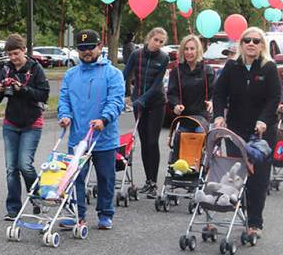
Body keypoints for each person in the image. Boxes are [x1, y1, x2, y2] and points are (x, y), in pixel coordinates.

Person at [211, 26, 281, 240]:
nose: (251, 44)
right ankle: (240, 215)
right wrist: (218, 116)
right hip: (236, 131)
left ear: (262, 46)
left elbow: (274, 98)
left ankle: (255, 223)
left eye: (256, 41)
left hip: (261, 134)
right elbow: (219, 93)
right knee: (237, 175)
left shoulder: (268, 68)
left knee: (258, 178)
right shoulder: (232, 67)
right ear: (241, 44)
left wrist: (264, 120)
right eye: (247, 40)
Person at [57, 30, 125, 230]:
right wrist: (65, 115)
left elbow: (116, 101)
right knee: (74, 178)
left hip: (104, 138)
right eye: (82, 48)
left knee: (105, 178)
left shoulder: (113, 74)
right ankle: (77, 214)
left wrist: (104, 119)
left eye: (90, 47)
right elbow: (64, 100)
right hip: (78, 138)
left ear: (100, 47)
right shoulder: (70, 75)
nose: (86, 52)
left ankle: (105, 214)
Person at [0, 33, 50, 221]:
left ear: (24, 50)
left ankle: (37, 198)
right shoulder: (6, 69)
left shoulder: (35, 69)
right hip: (11, 123)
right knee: (11, 168)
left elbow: (43, 95)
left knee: (25, 165)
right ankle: (13, 209)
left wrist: (22, 88)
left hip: (32, 122)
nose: (13, 58)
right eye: (10, 54)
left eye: (16, 53)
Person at [122, 27, 169, 197]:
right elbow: (125, 74)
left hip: (156, 102)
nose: (157, 44)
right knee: (142, 140)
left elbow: (157, 85)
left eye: (161, 42)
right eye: (155, 40)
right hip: (138, 103)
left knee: (152, 141)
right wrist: (122, 94)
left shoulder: (164, 58)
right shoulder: (136, 55)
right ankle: (147, 181)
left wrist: (143, 99)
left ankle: (154, 183)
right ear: (149, 38)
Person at [166, 34, 215, 120]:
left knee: (199, 133)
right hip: (182, 117)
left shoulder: (208, 71)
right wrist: (176, 105)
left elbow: (214, 93)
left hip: (202, 117)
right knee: (179, 133)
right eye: (186, 49)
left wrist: (211, 102)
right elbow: (172, 94)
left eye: (192, 49)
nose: (189, 52)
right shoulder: (176, 71)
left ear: (198, 50)